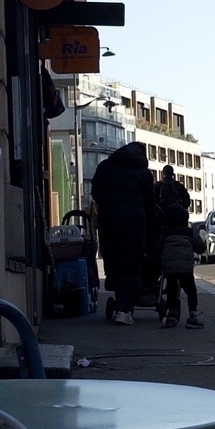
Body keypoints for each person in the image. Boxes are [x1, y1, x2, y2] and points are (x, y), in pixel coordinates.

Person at [90, 137, 156, 321]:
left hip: (108, 225)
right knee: (131, 265)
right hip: (134, 226)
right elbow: (151, 204)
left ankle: (121, 302)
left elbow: (95, 192)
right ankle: (124, 310)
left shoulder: (105, 167)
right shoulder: (142, 173)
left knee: (114, 263)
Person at [156, 179, 203, 328]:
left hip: (170, 268)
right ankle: (192, 316)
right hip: (185, 268)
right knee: (191, 291)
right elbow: (201, 247)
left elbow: (159, 248)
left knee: (171, 289)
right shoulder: (189, 232)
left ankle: (171, 313)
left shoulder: (166, 233)